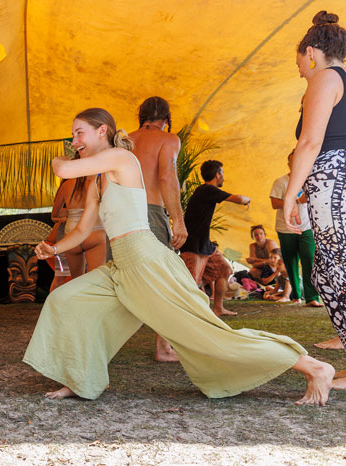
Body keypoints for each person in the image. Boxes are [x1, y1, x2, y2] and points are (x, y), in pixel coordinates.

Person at [23, 107, 338, 407]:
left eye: (79, 133)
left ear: (102, 131)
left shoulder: (120, 158)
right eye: (73, 135)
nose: (75, 141)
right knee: (65, 300)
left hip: (147, 264)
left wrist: (57, 153)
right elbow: (82, 230)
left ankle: (313, 368)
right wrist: (54, 248)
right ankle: (83, 379)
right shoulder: (97, 178)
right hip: (120, 267)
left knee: (210, 338)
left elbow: (62, 168)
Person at [284, 11, 346, 354]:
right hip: (335, 179)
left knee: (335, 267)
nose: (299, 69)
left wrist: (292, 194)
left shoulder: (324, 79)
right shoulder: (341, 80)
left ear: (311, 52)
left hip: (332, 176)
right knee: (329, 268)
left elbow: (309, 142)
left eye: (299, 62)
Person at [129, 96, 186, 362]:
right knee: (164, 279)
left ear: (141, 116)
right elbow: (166, 177)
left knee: (119, 277)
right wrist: (178, 219)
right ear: (166, 119)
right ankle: (163, 348)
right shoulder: (169, 140)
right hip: (150, 212)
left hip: (119, 214)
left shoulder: (125, 139)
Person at [180, 160, 250, 317]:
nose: (223, 177)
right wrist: (247, 199)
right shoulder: (207, 189)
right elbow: (237, 199)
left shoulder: (206, 191)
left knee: (224, 270)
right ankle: (185, 316)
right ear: (218, 174)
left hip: (204, 244)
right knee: (191, 283)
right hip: (193, 245)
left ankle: (218, 308)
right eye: (222, 173)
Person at [270, 150, 321, 307]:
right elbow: (274, 204)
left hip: (306, 227)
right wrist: (297, 201)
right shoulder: (280, 181)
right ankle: (295, 296)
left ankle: (312, 297)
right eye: (293, 161)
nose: (296, 163)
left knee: (309, 259)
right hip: (286, 228)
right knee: (290, 262)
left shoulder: (310, 180)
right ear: (289, 163)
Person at [57, 175, 107, 277]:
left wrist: (73, 212)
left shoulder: (66, 185)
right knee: (96, 279)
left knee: (76, 280)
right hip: (95, 230)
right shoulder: (99, 182)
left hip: (71, 233)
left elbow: (55, 214)